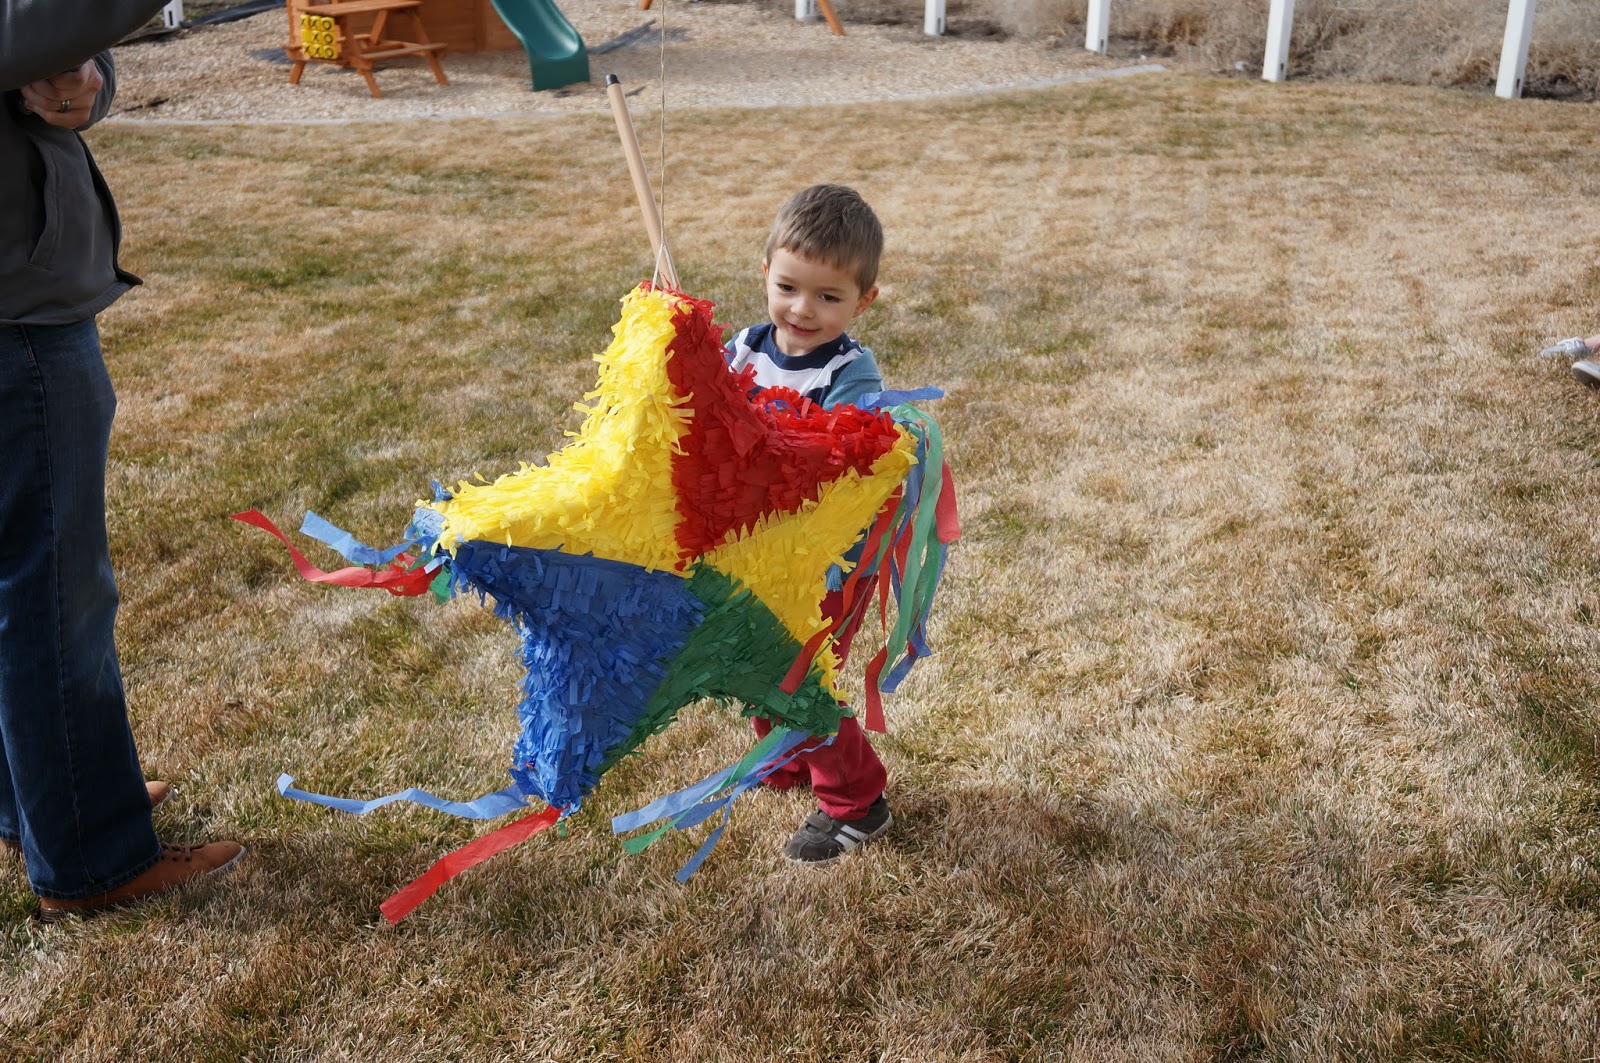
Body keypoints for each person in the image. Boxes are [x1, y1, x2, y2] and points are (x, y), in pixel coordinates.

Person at [2, 3, 243, 920]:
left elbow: (59, 47)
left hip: (21, 304)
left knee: (22, 585)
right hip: (18, 324)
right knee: (53, 593)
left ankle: (43, 801)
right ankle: (91, 854)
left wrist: (85, 83)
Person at [723, 184, 894, 864]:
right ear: (765, 270)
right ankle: (788, 755)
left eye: (828, 296)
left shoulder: (852, 373)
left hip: (821, 558)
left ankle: (857, 800)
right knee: (747, 655)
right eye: (788, 287)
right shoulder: (743, 349)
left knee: (793, 672)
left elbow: (842, 462)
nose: (802, 309)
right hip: (747, 547)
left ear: (863, 302)